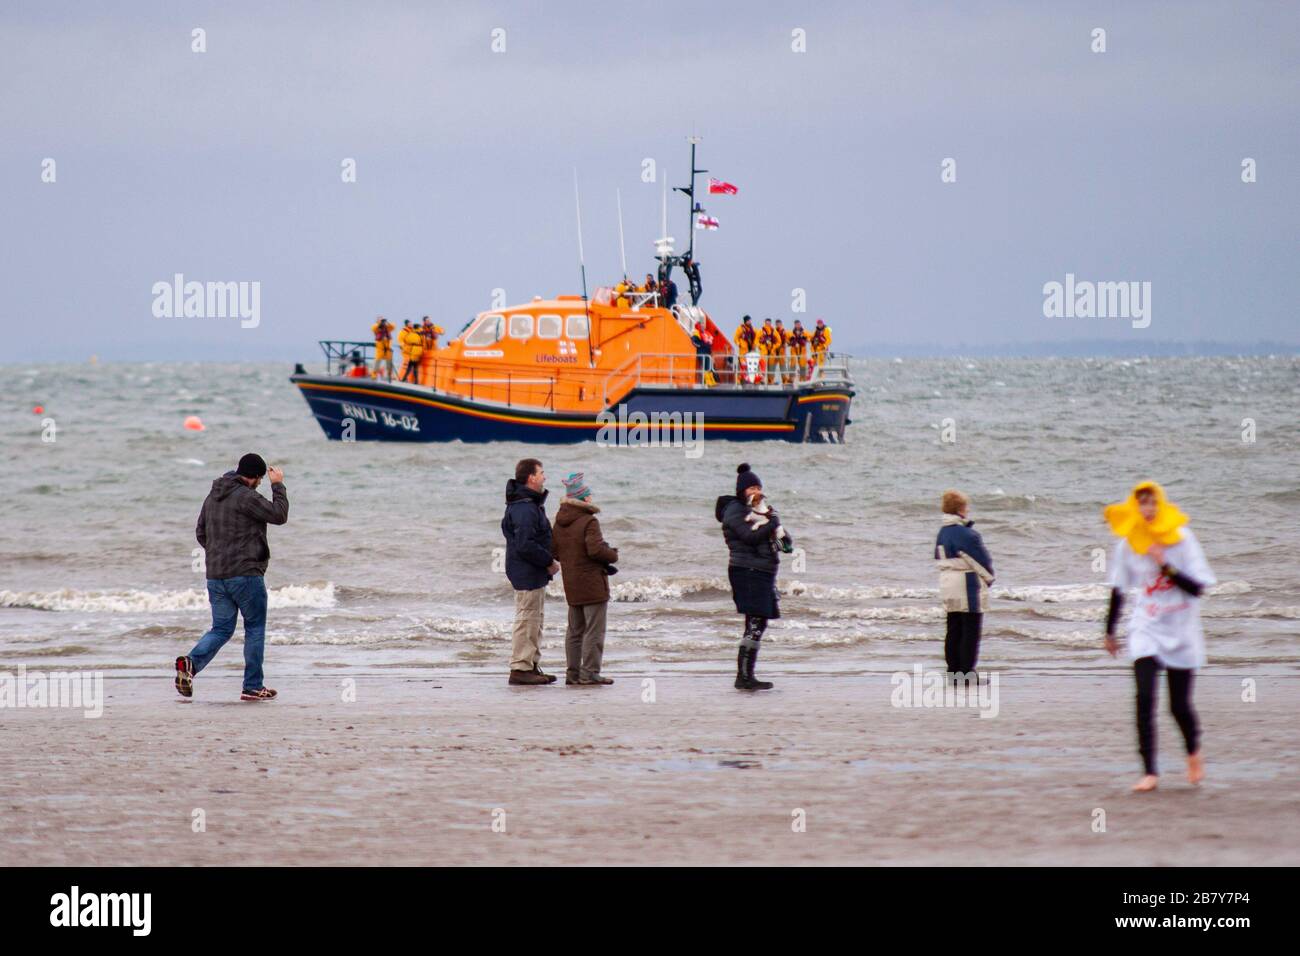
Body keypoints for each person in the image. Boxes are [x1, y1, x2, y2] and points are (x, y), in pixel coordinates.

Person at [1103, 481, 1215, 793]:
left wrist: (1164, 565)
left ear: (1161, 505)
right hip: (1146, 627)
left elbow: (1198, 588)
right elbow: (1118, 588)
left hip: (1181, 629)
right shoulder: (1129, 543)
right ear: (1135, 507)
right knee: (1144, 698)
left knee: (1178, 706)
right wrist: (1109, 631)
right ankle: (1149, 771)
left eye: (1153, 504)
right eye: (1142, 504)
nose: (1148, 510)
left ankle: (1193, 752)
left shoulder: (1182, 539)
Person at [175, 454, 288, 702]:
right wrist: (278, 485)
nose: (260, 483)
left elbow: (200, 532)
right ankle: (252, 686)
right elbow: (279, 515)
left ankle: (190, 665)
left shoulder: (213, 495)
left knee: (222, 628)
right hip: (246, 575)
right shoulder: (246, 496)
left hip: (216, 576)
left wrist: (219, 553)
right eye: (260, 479)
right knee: (255, 628)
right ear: (256, 478)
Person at [716, 463, 793, 690]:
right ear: (742, 491)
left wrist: (781, 533)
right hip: (747, 571)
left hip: (765, 571)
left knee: (759, 622)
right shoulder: (734, 511)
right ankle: (744, 677)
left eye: (758, 487)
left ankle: (747, 675)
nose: (756, 491)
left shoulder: (764, 512)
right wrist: (772, 523)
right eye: (751, 488)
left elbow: (783, 545)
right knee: (756, 621)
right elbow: (749, 537)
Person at [551, 473, 620, 686]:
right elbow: (595, 550)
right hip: (592, 584)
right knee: (594, 630)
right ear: (583, 498)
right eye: (588, 495)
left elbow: (555, 551)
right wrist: (612, 553)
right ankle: (589, 673)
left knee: (574, 631)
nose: (591, 497)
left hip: (571, 583)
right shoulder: (589, 521)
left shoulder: (559, 521)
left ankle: (572, 674)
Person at [502, 458, 561, 685]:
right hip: (526, 571)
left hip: (531, 572)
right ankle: (520, 668)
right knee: (527, 619)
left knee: (535, 619)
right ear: (531, 478)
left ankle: (531, 665)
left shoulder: (528, 503)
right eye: (542, 473)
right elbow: (524, 544)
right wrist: (548, 561)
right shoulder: (524, 507)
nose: (545, 477)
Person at [934, 490, 994, 681]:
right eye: (966, 506)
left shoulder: (942, 532)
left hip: (947, 583)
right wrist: (989, 579)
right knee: (970, 629)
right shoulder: (967, 534)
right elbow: (981, 561)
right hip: (966, 584)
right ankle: (967, 673)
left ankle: (953, 672)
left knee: (953, 627)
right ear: (960, 509)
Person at [758, 319, 779, 384]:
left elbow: (779, 341)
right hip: (763, 351)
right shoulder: (761, 331)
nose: (768, 324)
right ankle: (761, 380)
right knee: (762, 365)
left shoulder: (774, 331)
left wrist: (774, 347)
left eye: (769, 323)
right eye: (767, 323)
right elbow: (756, 341)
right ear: (765, 323)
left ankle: (771, 381)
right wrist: (760, 346)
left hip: (772, 351)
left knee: (771, 367)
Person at [773, 319, 790, 384]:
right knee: (772, 367)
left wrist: (787, 343)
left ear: (781, 324)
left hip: (782, 351)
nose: (778, 325)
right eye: (777, 324)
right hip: (775, 351)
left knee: (783, 367)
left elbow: (787, 340)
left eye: (779, 324)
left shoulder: (784, 332)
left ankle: (785, 380)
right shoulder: (774, 331)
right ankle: (771, 380)